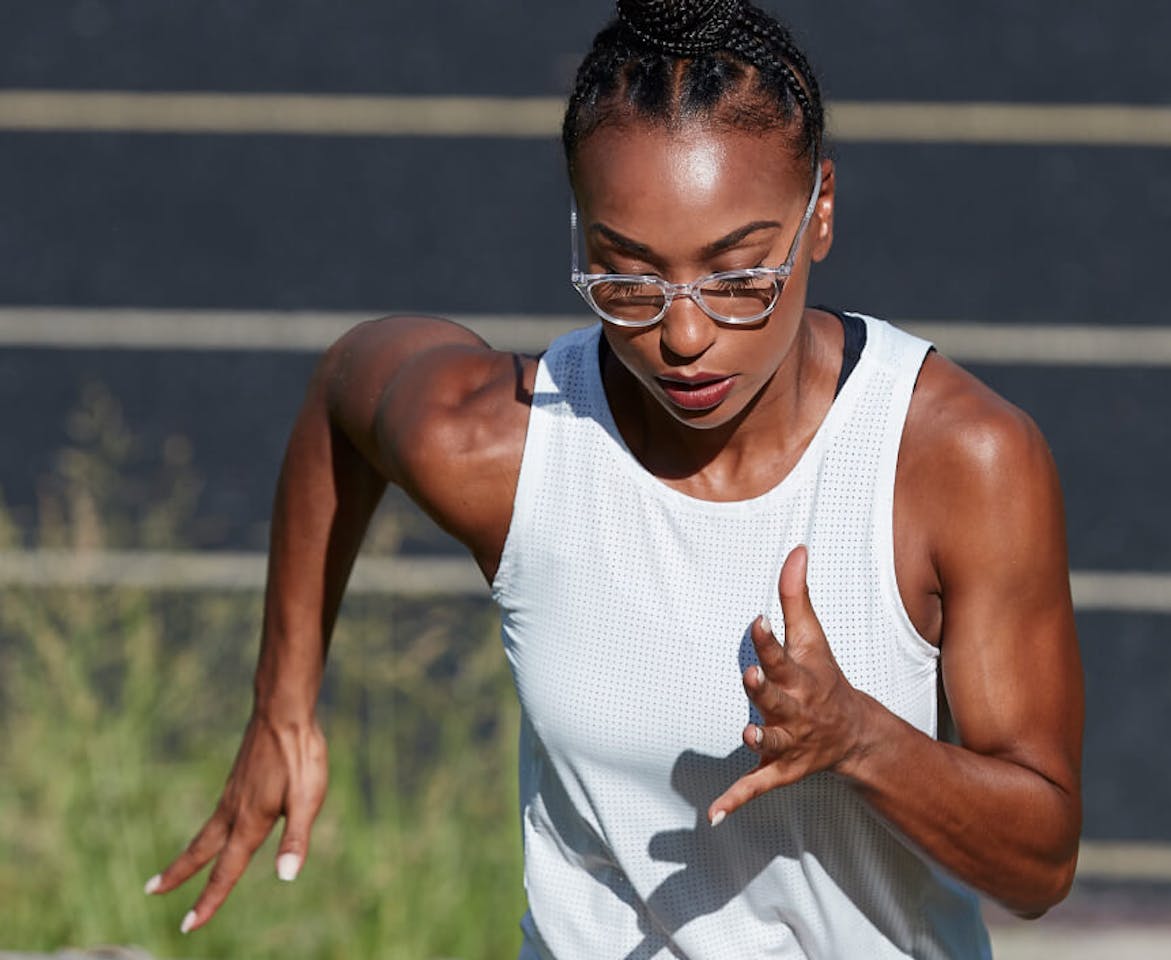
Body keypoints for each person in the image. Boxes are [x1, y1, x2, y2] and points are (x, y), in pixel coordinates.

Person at [144, 1, 1084, 956]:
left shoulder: (955, 463)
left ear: (822, 213)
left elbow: (1039, 866)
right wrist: (282, 708)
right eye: (626, 277)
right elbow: (345, 391)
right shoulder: (504, 448)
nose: (681, 336)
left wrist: (858, 740)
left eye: (737, 276)